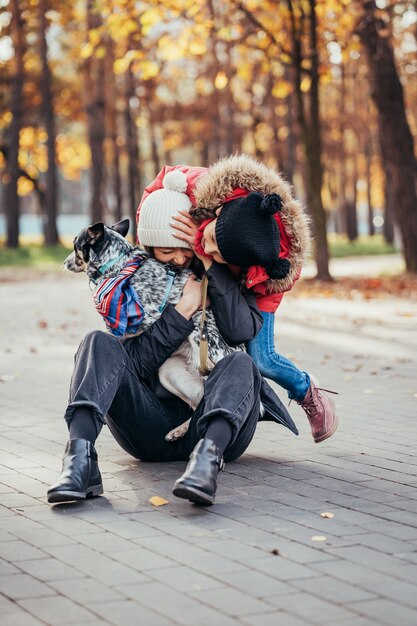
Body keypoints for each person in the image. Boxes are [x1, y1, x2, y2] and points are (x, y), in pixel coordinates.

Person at [47, 171, 297, 507]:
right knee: (96, 343)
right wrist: (183, 310)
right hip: (149, 429)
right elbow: (134, 364)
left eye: (186, 250)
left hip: (222, 431)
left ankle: (205, 465)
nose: (179, 259)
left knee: (241, 362)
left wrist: (211, 265)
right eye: (167, 251)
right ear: (148, 246)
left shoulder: (231, 265)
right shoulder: (133, 283)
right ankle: (79, 460)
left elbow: (241, 331)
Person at [138, 154, 338, 444]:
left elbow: (245, 316)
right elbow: (163, 179)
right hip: (212, 252)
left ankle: (308, 391)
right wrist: (150, 222)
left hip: (259, 283)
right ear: (217, 214)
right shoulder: (203, 188)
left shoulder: (269, 267)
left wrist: (211, 263)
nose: (206, 247)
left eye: (219, 253)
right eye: (211, 239)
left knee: (261, 359)